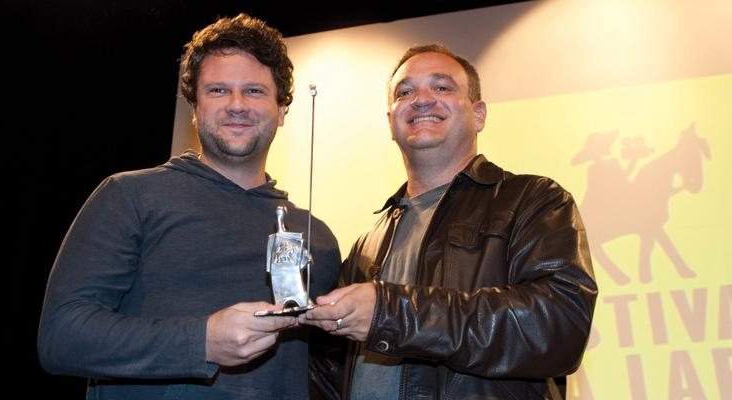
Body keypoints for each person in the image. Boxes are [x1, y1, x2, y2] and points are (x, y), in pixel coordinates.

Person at [37, 13, 341, 399]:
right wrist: (201, 342)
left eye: (254, 91)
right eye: (217, 90)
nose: (236, 105)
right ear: (194, 108)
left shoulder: (319, 239)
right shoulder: (129, 196)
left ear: (282, 110)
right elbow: (62, 338)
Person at [299, 43, 598, 399]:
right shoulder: (369, 242)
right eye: (405, 92)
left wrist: (393, 313)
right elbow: (331, 373)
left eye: (442, 87)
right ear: (391, 122)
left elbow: (558, 329)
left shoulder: (533, 200)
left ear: (479, 114)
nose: (421, 99)